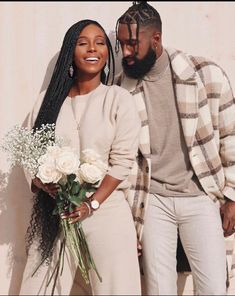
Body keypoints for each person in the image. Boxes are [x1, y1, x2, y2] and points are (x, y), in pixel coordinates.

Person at [115, 1, 235, 295]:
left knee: (214, 287)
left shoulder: (205, 74)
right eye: (121, 45)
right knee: (158, 289)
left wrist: (233, 195)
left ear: (155, 39)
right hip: (152, 200)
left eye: (132, 44)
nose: (126, 53)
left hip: (200, 194)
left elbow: (231, 136)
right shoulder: (121, 90)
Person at [19, 19, 141, 296]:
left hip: (106, 212)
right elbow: (28, 153)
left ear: (108, 53)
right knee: (38, 288)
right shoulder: (46, 102)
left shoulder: (118, 99)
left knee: (118, 289)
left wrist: (91, 204)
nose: (92, 48)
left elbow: (123, 162)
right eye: (82, 42)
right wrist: (41, 181)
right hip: (55, 213)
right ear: (70, 52)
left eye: (100, 42)